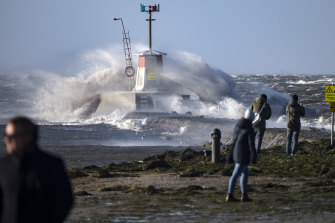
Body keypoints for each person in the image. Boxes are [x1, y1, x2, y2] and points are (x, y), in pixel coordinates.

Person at [0, 117, 73, 223]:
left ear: (28, 137)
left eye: (12, 137)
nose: (7, 140)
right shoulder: (3, 165)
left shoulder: (51, 163)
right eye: (6, 136)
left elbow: (65, 200)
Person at [226, 109, 257, 202]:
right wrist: (254, 155)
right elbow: (251, 144)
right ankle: (229, 195)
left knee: (245, 172)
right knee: (235, 175)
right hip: (243, 154)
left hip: (236, 151)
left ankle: (244, 194)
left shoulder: (238, 125)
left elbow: (234, 140)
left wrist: (230, 154)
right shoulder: (249, 128)